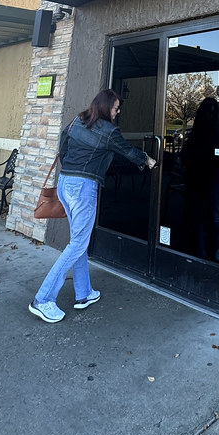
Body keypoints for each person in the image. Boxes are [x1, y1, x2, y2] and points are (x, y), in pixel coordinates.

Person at [29, 88, 157, 323]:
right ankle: (43, 299)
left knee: (79, 240)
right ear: (106, 107)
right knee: (78, 243)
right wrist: (147, 160)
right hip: (82, 188)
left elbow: (63, 147)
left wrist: (71, 168)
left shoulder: (77, 121)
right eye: (116, 108)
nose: (118, 112)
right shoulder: (108, 131)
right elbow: (127, 150)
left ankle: (84, 293)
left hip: (65, 182)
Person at [180, 96, 219, 262]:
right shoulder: (197, 132)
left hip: (213, 175)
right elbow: (186, 154)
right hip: (197, 177)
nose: (209, 116)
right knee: (198, 215)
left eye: (212, 113)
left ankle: (215, 248)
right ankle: (199, 251)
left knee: (213, 213)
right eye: (206, 112)